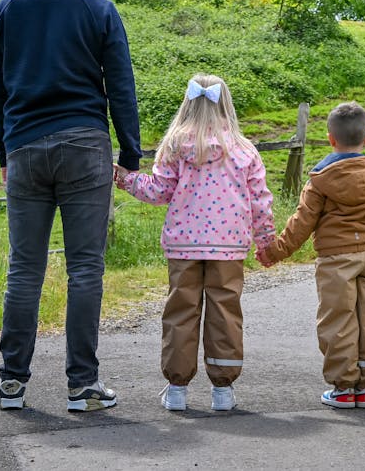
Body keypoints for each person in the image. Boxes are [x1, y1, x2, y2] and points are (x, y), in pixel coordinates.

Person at [0, 0, 141, 412]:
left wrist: (4, 153)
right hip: (84, 146)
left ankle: (12, 383)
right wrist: (130, 154)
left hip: (25, 146)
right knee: (86, 269)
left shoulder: (7, 9)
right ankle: (82, 385)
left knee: (24, 269)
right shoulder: (100, 10)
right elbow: (120, 86)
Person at [116, 74, 275, 412]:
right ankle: (223, 390)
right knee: (225, 313)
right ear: (226, 104)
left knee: (180, 312)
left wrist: (127, 179)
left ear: (188, 104)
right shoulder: (245, 150)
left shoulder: (175, 145)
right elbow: (260, 201)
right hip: (229, 246)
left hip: (183, 244)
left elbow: (158, 191)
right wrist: (266, 241)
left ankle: (176, 388)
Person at [257, 101, 365, 409]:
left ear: (330, 139)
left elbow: (301, 224)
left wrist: (275, 251)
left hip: (335, 261)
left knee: (338, 321)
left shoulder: (319, 180)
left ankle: (343, 386)